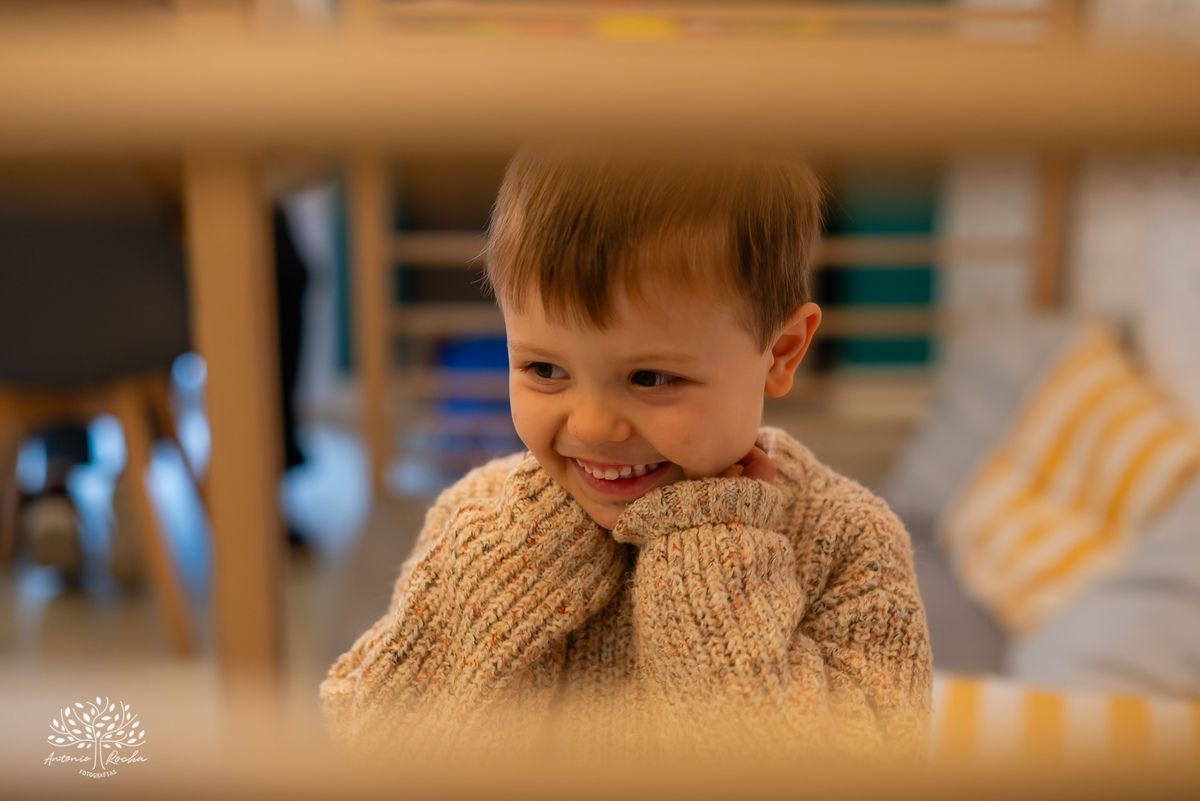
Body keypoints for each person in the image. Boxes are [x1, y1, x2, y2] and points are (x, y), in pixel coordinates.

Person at [320, 145, 932, 760]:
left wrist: (709, 554)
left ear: (781, 353)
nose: (591, 426)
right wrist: (517, 565)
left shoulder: (850, 541)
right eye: (544, 368)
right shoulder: (478, 515)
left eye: (650, 378)